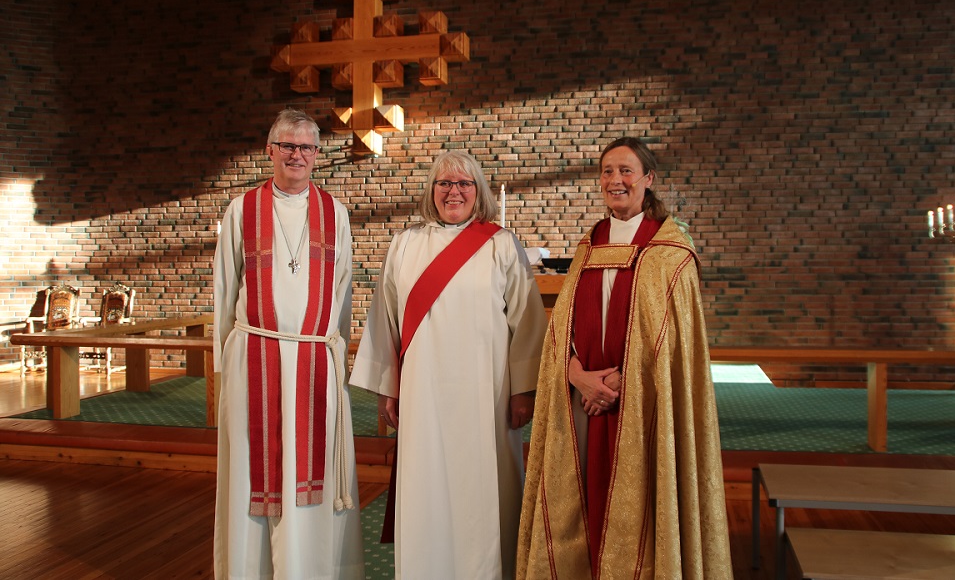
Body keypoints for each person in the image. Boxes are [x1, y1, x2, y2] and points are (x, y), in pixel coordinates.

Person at [516, 137, 733, 579]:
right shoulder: (589, 245)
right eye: (608, 171)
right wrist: (578, 376)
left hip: (644, 403)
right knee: (580, 495)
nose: (616, 180)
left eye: (626, 170)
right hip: (582, 402)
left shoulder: (670, 252)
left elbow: (672, 341)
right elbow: (561, 330)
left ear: (648, 178)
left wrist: (615, 383)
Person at [350, 150, 547, 579]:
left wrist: (523, 390)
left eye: (463, 183)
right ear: (431, 191)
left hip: (487, 395)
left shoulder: (500, 244)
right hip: (423, 395)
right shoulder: (405, 244)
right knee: (427, 486)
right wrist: (387, 387)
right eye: (444, 183)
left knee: (484, 490)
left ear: (478, 192)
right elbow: (385, 319)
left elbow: (528, 322)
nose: (453, 192)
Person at [213, 108, 364, 579]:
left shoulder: (335, 213)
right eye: (287, 145)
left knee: (309, 466)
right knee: (252, 468)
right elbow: (225, 289)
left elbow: (342, 290)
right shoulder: (242, 210)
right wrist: (224, 366)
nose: (296, 155)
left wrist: (337, 358)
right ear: (270, 150)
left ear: (317, 155)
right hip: (253, 358)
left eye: (306, 147)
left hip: (316, 358)